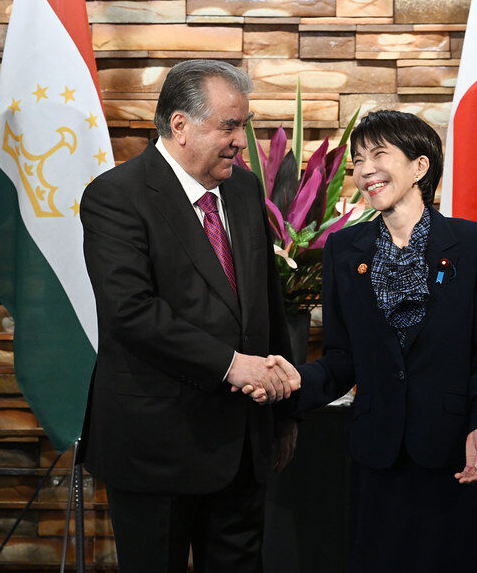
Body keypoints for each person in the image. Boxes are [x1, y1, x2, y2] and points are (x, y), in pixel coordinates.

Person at [80, 60, 299, 573]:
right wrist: (232, 365)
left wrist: (283, 413)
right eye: (229, 126)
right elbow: (131, 312)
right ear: (180, 125)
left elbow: (266, 301)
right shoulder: (115, 196)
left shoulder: (244, 190)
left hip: (243, 445)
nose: (241, 141)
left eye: (243, 125)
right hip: (155, 449)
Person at [290, 110, 477, 572]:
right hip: (378, 457)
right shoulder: (343, 250)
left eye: (379, 154)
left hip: (454, 451)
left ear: (420, 166)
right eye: (357, 160)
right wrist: (291, 381)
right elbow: (341, 359)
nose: (365, 169)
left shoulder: (475, 244)